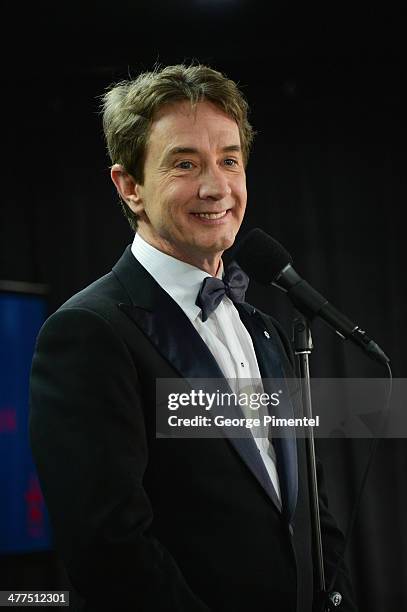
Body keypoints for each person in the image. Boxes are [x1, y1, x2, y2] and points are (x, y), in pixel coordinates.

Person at [29, 64, 357, 611]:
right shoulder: (88, 332)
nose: (216, 186)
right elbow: (109, 549)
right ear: (129, 185)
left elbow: (309, 508)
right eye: (185, 163)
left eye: (229, 160)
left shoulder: (267, 331)